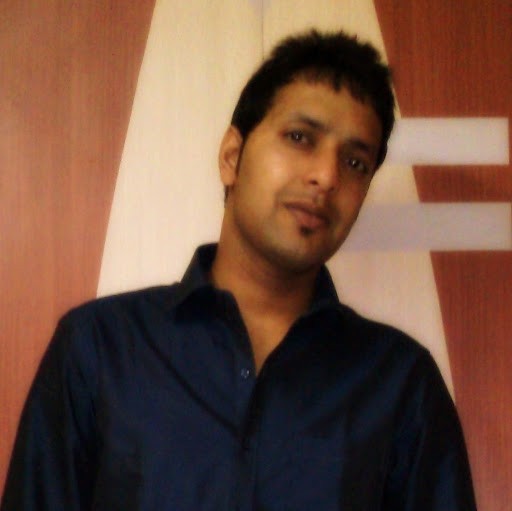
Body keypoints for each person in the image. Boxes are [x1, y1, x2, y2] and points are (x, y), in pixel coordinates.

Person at [1, 30, 476, 510]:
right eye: (300, 138)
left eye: (355, 162)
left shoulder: (400, 385)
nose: (326, 176)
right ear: (232, 156)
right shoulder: (100, 349)